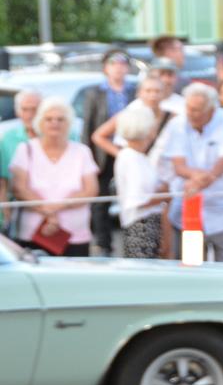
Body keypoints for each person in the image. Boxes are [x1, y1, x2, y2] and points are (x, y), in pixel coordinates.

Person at [8, 97, 99, 256]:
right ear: (40, 122)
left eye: (60, 119)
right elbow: (19, 188)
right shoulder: (26, 149)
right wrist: (49, 213)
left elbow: (91, 190)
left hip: (75, 235)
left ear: (69, 123)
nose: (54, 123)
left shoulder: (82, 151)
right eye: (49, 119)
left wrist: (54, 209)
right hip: (33, 232)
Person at [165, 83, 223, 263]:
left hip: (222, 209)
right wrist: (197, 177)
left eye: (197, 110)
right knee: (191, 265)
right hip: (188, 208)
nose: (192, 114)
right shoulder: (177, 123)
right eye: (189, 108)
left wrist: (202, 180)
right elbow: (178, 165)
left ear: (211, 109)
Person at [82, 48, 136, 254]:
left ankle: (131, 237)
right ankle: (103, 241)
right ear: (106, 68)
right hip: (103, 151)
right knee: (100, 197)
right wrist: (89, 156)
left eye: (123, 64)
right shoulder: (95, 93)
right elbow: (89, 126)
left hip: (129, 150)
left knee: (131, 195)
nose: (119, 68)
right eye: (114, 64)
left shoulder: (134, 90)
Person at [113, 106, 168, 258]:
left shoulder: (140, 157)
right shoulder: (129, 157)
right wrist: (165, 195)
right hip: (140, 224)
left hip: (151, 222)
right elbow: (137, 199)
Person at [0, 90, 42, 235]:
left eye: (34, 109)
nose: (30, 115)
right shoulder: (8, 138)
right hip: (21, 210)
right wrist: (7, 216)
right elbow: (3, 183)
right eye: (25, 109)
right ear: (18, 111)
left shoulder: (59, 134)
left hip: (55, 209)